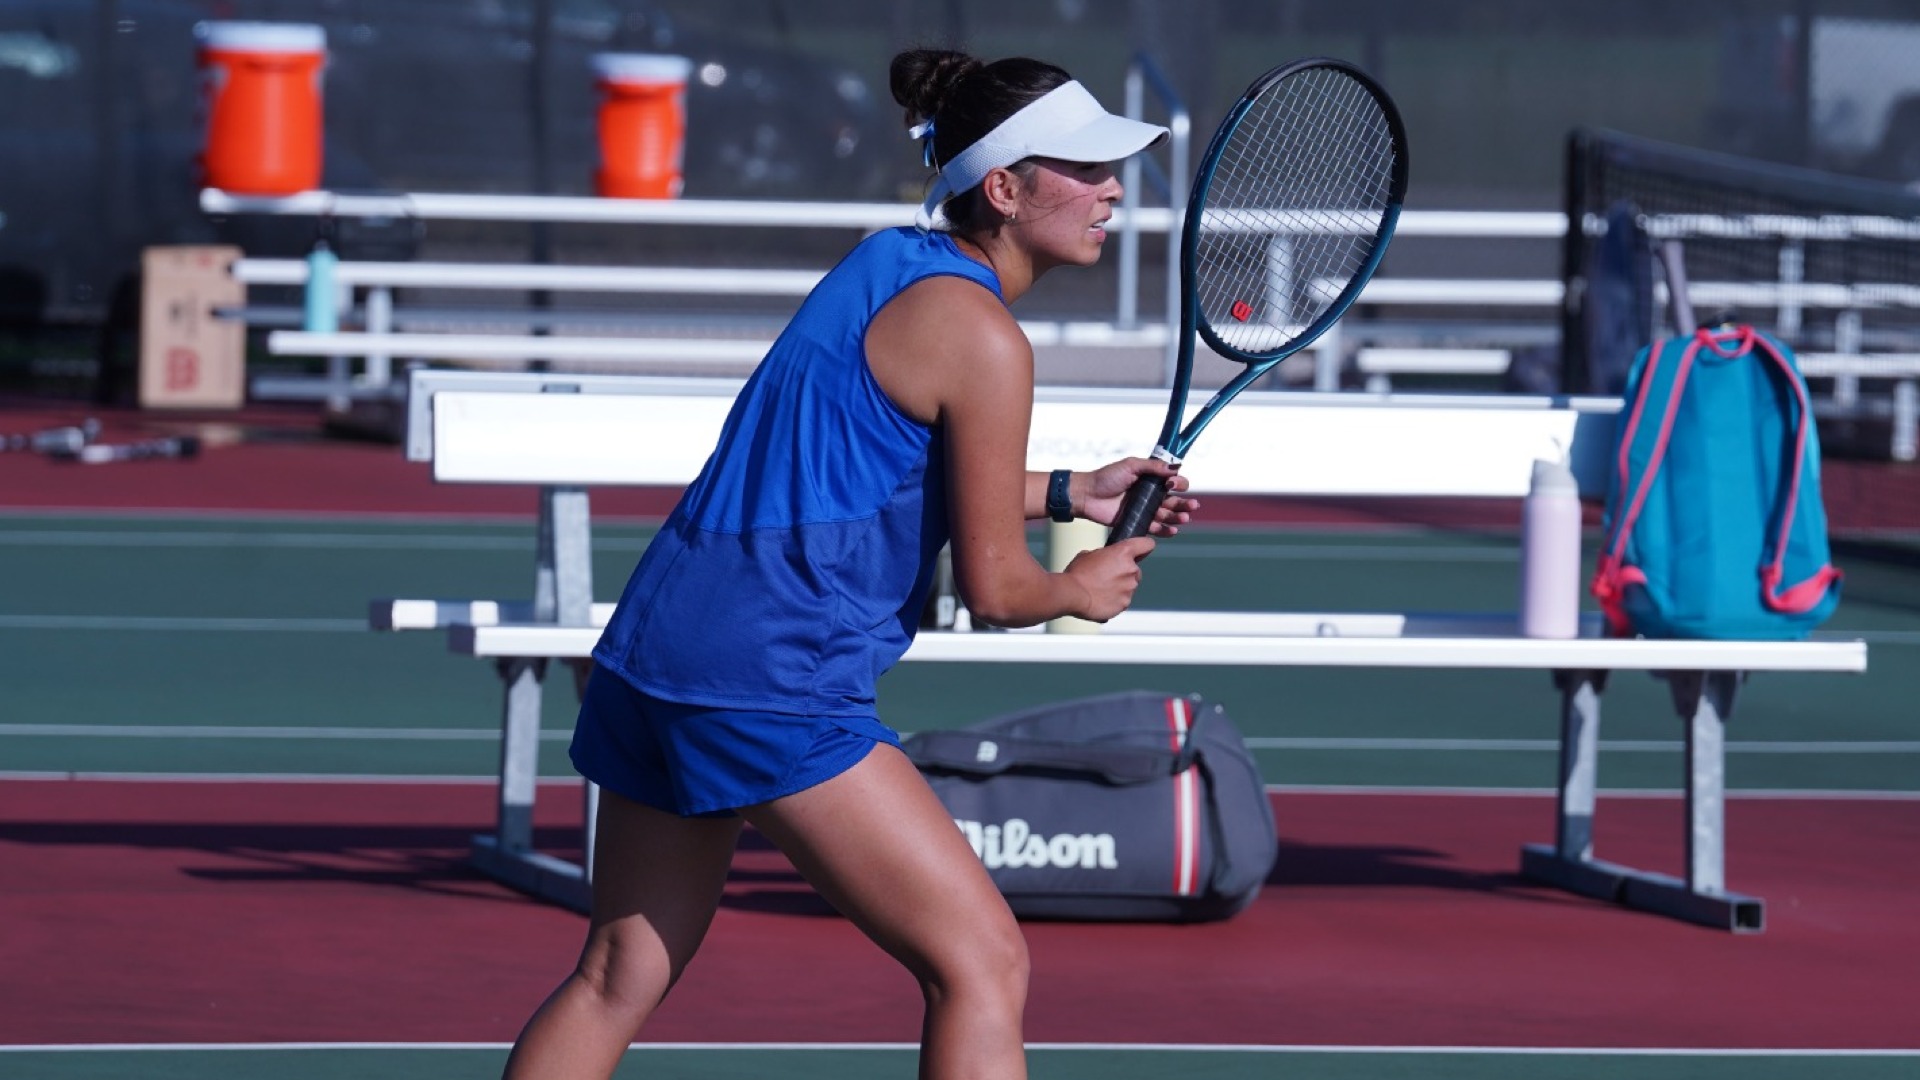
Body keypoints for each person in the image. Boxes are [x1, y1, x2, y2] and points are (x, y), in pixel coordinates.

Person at [501, 47, 1197, 1080]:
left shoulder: (883, 264)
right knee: (983, 966)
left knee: (616, 974)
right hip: (775, 675)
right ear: (1003, 188)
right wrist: (1079, 587)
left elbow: (882, 468)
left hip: (655, 650)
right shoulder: (988, 339)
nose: (1110, 190)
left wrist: (1065, 491)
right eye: (1084, 168)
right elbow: (1001, 594)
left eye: (1114, 168)